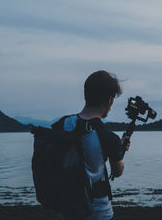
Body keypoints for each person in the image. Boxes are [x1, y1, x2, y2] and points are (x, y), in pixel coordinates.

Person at [54, 70, 131, 220]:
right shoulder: (108, 137)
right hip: (97, 211)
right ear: (109, 100)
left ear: (86, 94)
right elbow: (117, 171)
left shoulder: (62, 124)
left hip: (66, 207)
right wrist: (119, 150)